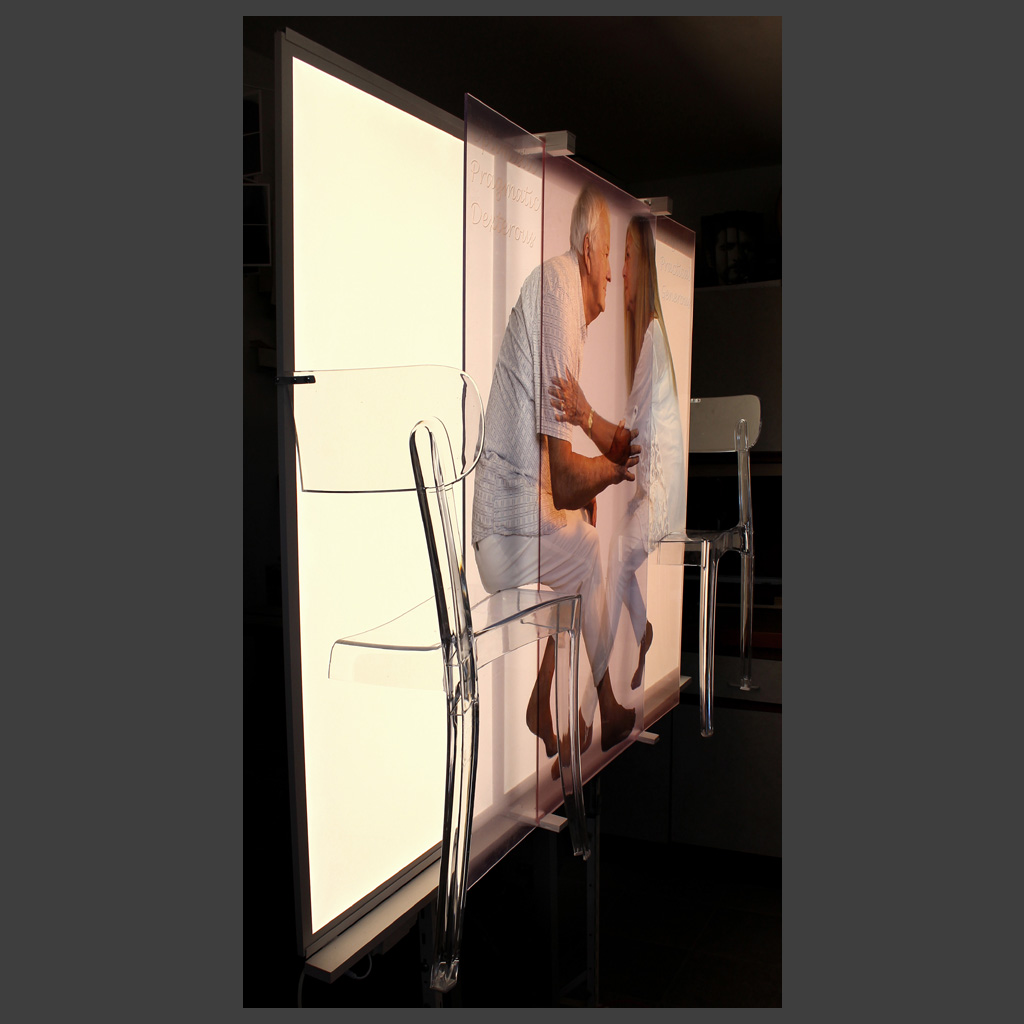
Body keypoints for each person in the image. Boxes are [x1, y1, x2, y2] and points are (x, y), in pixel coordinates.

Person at [472, 185, 640, 757]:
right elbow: (567, 480)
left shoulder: (563, 294)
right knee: (588, 550)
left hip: (515, 522)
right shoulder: (561, 298)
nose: (613, 273)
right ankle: (606, 708)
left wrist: (606, 448)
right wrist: (613, 470)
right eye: (610, 254)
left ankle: (543, 699)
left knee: (579, 529)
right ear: (589, 249)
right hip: (507, 531)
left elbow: (574, 457)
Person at [550, 215, 684, 692]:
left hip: (661, 495)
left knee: (613, 556)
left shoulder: (652, 339)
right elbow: (625, 443)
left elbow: (624, 441)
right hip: (653, 489)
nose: (619, 272)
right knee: (612, 554)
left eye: (625, 257)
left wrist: (582, 412)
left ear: (641, 263)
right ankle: (637, 638)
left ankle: (596, 694)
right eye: (615, 257)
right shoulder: (650, 338)